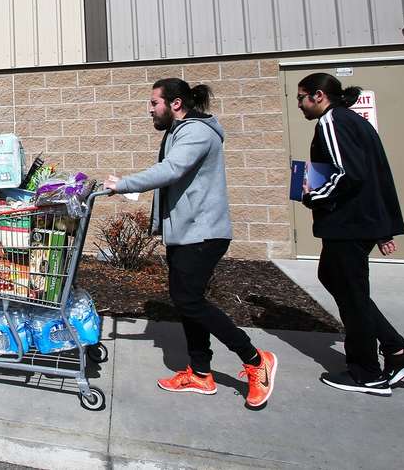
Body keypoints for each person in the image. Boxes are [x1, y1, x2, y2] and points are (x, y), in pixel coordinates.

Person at [107, 78, 278, 410]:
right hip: (187, 232)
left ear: (175, 104)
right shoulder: (179, 131)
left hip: (203, 233)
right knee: (187, 301)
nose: (150, 110)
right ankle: (200, 373)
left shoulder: (196, 132)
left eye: (154, 103)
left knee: (188, 300)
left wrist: (124, 184)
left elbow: (171, 169)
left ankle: (256, 359)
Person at [296, 72, 404, 396]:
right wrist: (382, 228)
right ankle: (397, 350)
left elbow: (348, 175)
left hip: (348, 224)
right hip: (358, 222)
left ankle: (367, 372)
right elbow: (369, 174)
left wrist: (311, 194)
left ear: (318, 96)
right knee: (333, 278)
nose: (299, 104)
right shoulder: (352, 121)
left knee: (351, 294)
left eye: (301, 97)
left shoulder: (332, 122)